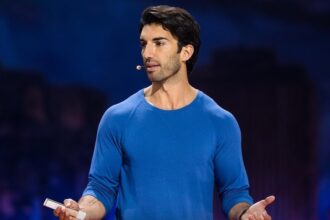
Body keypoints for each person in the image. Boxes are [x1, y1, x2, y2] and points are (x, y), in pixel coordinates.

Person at [54, 5, 275, 220]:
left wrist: (246, 214)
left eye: (159, 43)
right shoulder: (117, 119)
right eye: (143, 44)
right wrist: (81, 212)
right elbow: (100, 189)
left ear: (186, 52)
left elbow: (234, 193)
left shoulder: (220, 122)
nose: (147, 53)